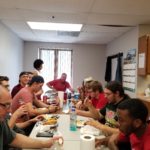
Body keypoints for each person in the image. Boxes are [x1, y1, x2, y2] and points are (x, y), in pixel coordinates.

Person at [0, 85, 61, 150]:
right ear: (35, 83)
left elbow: (13, 138)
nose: (9, 110)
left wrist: (45, 144)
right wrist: (15, 115)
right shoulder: (25, 92)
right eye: (6, 105)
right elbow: (31, 112)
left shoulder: (2, 120)